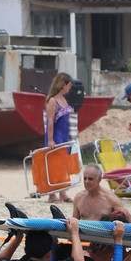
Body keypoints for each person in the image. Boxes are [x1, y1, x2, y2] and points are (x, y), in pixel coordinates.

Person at [44, 73, 74, 203]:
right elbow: (50, 121)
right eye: (69, 85)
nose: (70, 88)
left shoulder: (64, 99)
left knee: (63, 165)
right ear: (63, 84)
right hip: (56, 136)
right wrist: (50, 140)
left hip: (64, 136)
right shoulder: (52, 101)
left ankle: (63, 192)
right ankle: (52, 194)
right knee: (53, 165)